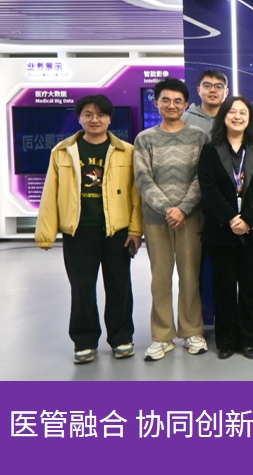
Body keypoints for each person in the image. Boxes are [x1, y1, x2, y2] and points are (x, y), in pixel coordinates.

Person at [35, 95, 143, 364]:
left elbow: (136, 195)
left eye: (101, 115)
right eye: (88, 114)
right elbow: (50, 193)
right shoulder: (62, 151)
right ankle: (84, 342)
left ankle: (121, 338)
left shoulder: (127, 151)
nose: (95, 120)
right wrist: (46, 233)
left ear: (110, 119)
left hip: (117, 231)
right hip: (78, 231)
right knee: (82, 288)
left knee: (119, 287)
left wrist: (135, 230)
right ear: (79, 118)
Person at [133, 78, 209, 361]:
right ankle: (162, 336)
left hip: (191, 218)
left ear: (186, 104)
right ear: (156, 103)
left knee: (190, 276)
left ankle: (192, 331)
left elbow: (203, 177)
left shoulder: (199, 137)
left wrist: (184, 208)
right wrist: (168, 208)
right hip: (157, 219)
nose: (172, 105)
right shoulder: (145, 139)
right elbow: (142, 178)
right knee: (160, 278)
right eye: (166, 100)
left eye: (178, 101)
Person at [197, 96, 253, 360]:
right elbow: (208, 188)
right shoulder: (210, 150)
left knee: (250, 287)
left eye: (243, 113)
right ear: (224, 116)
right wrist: (231, 218)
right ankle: (226, 340)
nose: (238, 116)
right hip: (221, 229)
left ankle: (249, 339)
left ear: (249, 119)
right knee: (224, 286)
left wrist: (247, 219)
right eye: (233, 112)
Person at [182, 69, 228, 134]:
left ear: (226, 92)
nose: (212, 90)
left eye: (219, 87)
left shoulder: (233, 119)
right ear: (199, 90)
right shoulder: (183, 119)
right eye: (207, 86)